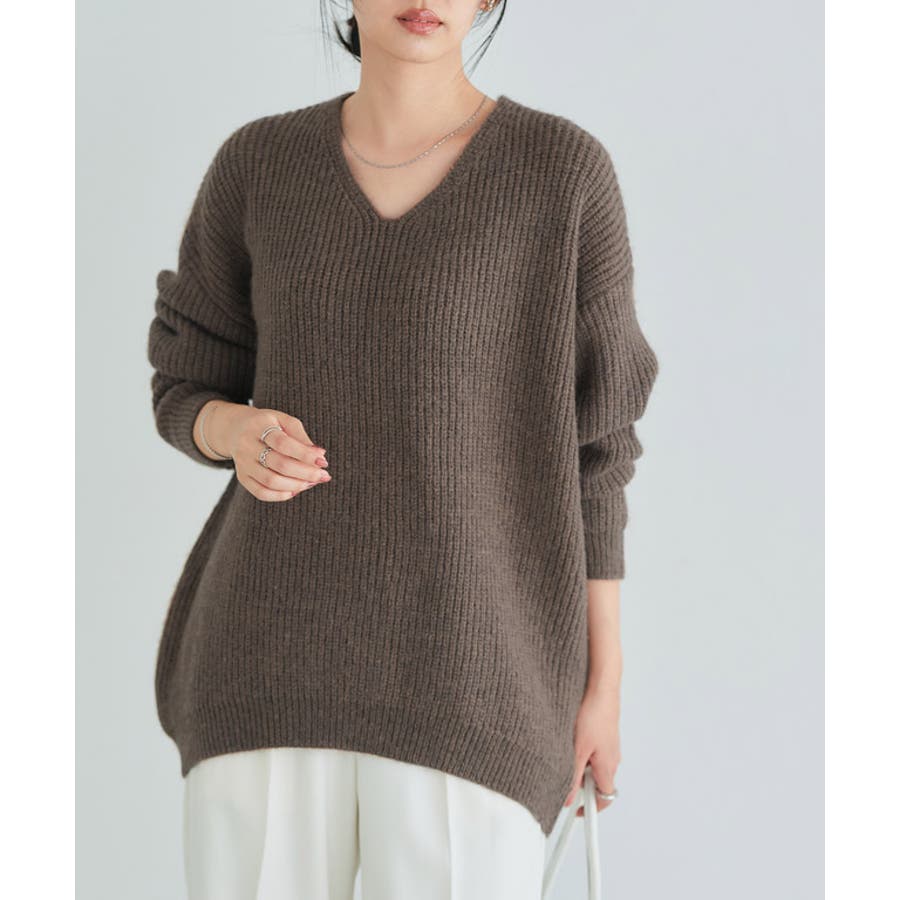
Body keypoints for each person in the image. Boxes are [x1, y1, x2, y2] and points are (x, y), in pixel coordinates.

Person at [146, 1, 659, 897]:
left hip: (477, 680)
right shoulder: (259, 163)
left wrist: (602, 687)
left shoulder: (560, 172)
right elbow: (185, 381)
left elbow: (599, 452)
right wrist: (233, 431)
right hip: (266, 661)